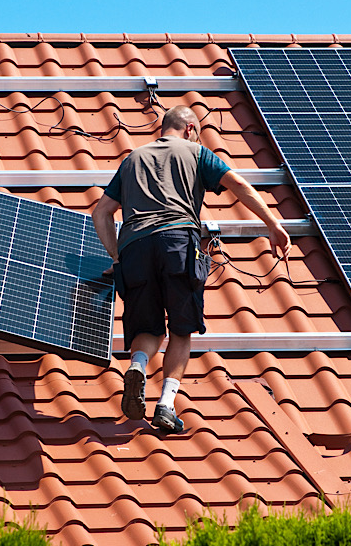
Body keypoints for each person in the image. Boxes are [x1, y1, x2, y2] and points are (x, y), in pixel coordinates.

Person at [92, 105, 291, 434]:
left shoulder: (131, 160)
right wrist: (272, 224)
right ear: (188, 128)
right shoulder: (197, 152)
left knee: (148, 328)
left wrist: (117, 259)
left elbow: (101, 214)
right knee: (181, 329)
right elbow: (238, 184)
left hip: (135, 248)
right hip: (178, 243)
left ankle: (138, 366)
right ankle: (166, 405)